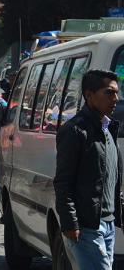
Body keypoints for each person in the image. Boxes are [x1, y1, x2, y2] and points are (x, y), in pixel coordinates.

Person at [54, 70, 122, 270]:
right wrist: (70, 223)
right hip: (86, 226)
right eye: (109, 93)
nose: (115, 99)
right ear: (89, 95)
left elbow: (111, 179)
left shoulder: (107, 130)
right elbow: (63, 182)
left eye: (117, 93)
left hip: (108, 224)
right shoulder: (75, 131)